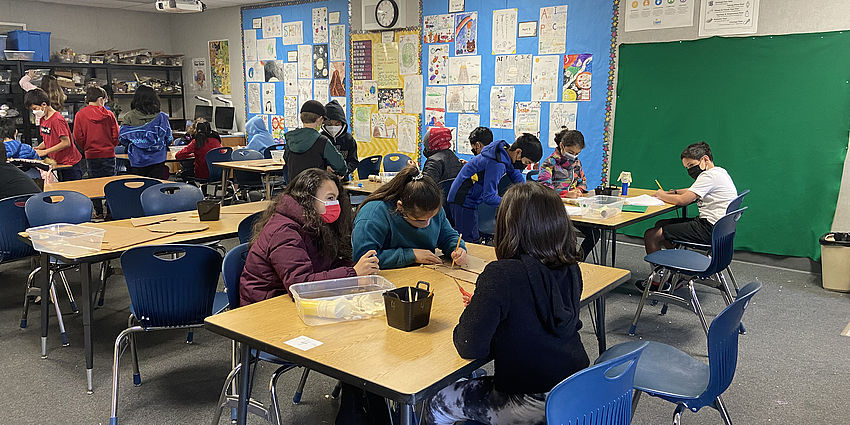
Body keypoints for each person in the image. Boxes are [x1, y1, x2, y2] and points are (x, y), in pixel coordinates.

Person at [422, 182, 589, 425]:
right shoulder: (571, 268)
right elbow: (539, 315)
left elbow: (469, 346)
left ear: (508, 227)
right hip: (574, 390)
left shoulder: (501, 274)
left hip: (529, 401)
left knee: (438, 401)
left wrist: (480, 311)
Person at [240, 168, 380, 306]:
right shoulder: (284, 232)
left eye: (336, 199)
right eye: (330, 198)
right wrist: (352, 273)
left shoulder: (313, 224)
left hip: (288, 300)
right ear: (308, 199)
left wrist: (357, 268)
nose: (335, 204)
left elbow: (325, 265)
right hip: (265, 308)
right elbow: (300, 285)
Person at [640, 141, 738, 290]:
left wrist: (660, 195)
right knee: (661, 224)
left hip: (708, 229)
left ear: (705, 159)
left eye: (691, 166)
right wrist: (671, 192)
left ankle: (659, 282)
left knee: (651, 235)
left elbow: (683, 201)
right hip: (719, 229)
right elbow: (692, 190)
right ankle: (677, 272)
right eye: (687, 168)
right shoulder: (719, 172)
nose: (690, 170)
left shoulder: (708, 176)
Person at [352, 165, 467, 270]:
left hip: (424, 272)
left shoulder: (432, 207)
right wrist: (411, 255)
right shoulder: (373, 214)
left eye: (432, 217)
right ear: (400, 207)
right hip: (387, 278)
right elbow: (365, 259)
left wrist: (457, 249)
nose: (428, 223)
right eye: (420, 220)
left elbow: (448, 236)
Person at [447, 133, 543, 243]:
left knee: (472, 238)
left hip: (470, 198)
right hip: (462, 199)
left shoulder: (505, 154)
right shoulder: (497, 164)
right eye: (527, 162)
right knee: (469, 241)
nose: (525, 165)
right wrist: (514, 202)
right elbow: (489, 197)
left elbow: (517, 176)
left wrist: (529, 195)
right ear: (518, 152)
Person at [538, 129, 599, 260]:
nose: (574, 156)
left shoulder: (576, 163)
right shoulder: (549, 163)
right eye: (571, 152)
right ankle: (562, 261)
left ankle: (578, 259)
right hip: (555, 208)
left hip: (574, 208)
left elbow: (583, 182)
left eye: (577, 153)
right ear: (562, 146)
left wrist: (579, 191)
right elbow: (544, 188)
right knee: (568, 236)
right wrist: (565, 194)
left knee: (594, 233)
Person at [24, 88, 83, 181]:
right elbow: (48, 138)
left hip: (70, 163)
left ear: (44, 104)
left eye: (35, 109)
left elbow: (66, 142)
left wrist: (45, 152)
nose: (34, 112)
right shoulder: (43, 119)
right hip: (58, 162)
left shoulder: (57, 120)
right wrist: (38, 148)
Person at [283, 100, 347, 182]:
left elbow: (286, 159)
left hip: (294, 188)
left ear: (300, 117)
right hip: (316, 189)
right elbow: (341, 166)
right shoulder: (322, 141)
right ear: (320, 119)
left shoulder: (291, 138)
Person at [118, 85, 173, 179]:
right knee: (156, 188)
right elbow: (168, 139)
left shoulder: (129, 116)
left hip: (137, 159)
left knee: (138, 187)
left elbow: (123, 139)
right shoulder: (162, 117)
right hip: (158, 159)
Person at [74, 86, 120, 179]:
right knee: (110, 183)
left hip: (91, 154)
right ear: (100, 99)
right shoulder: (109, 114)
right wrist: (111, 146)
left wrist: (86, 148)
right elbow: (116, 134)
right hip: (108, 154)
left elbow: (77, 136)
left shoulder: (80, 114)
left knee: (94, 183)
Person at [321, 100, 358, 180]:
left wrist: (345, 171)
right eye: (329, 124)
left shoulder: (349, 139)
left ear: (342, 123)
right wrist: (324, 168)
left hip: (343, 181)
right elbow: (314, 161)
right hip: (323, 180)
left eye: (337, 124)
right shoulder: (320, 139)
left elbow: (353, 161)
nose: (333, 127)